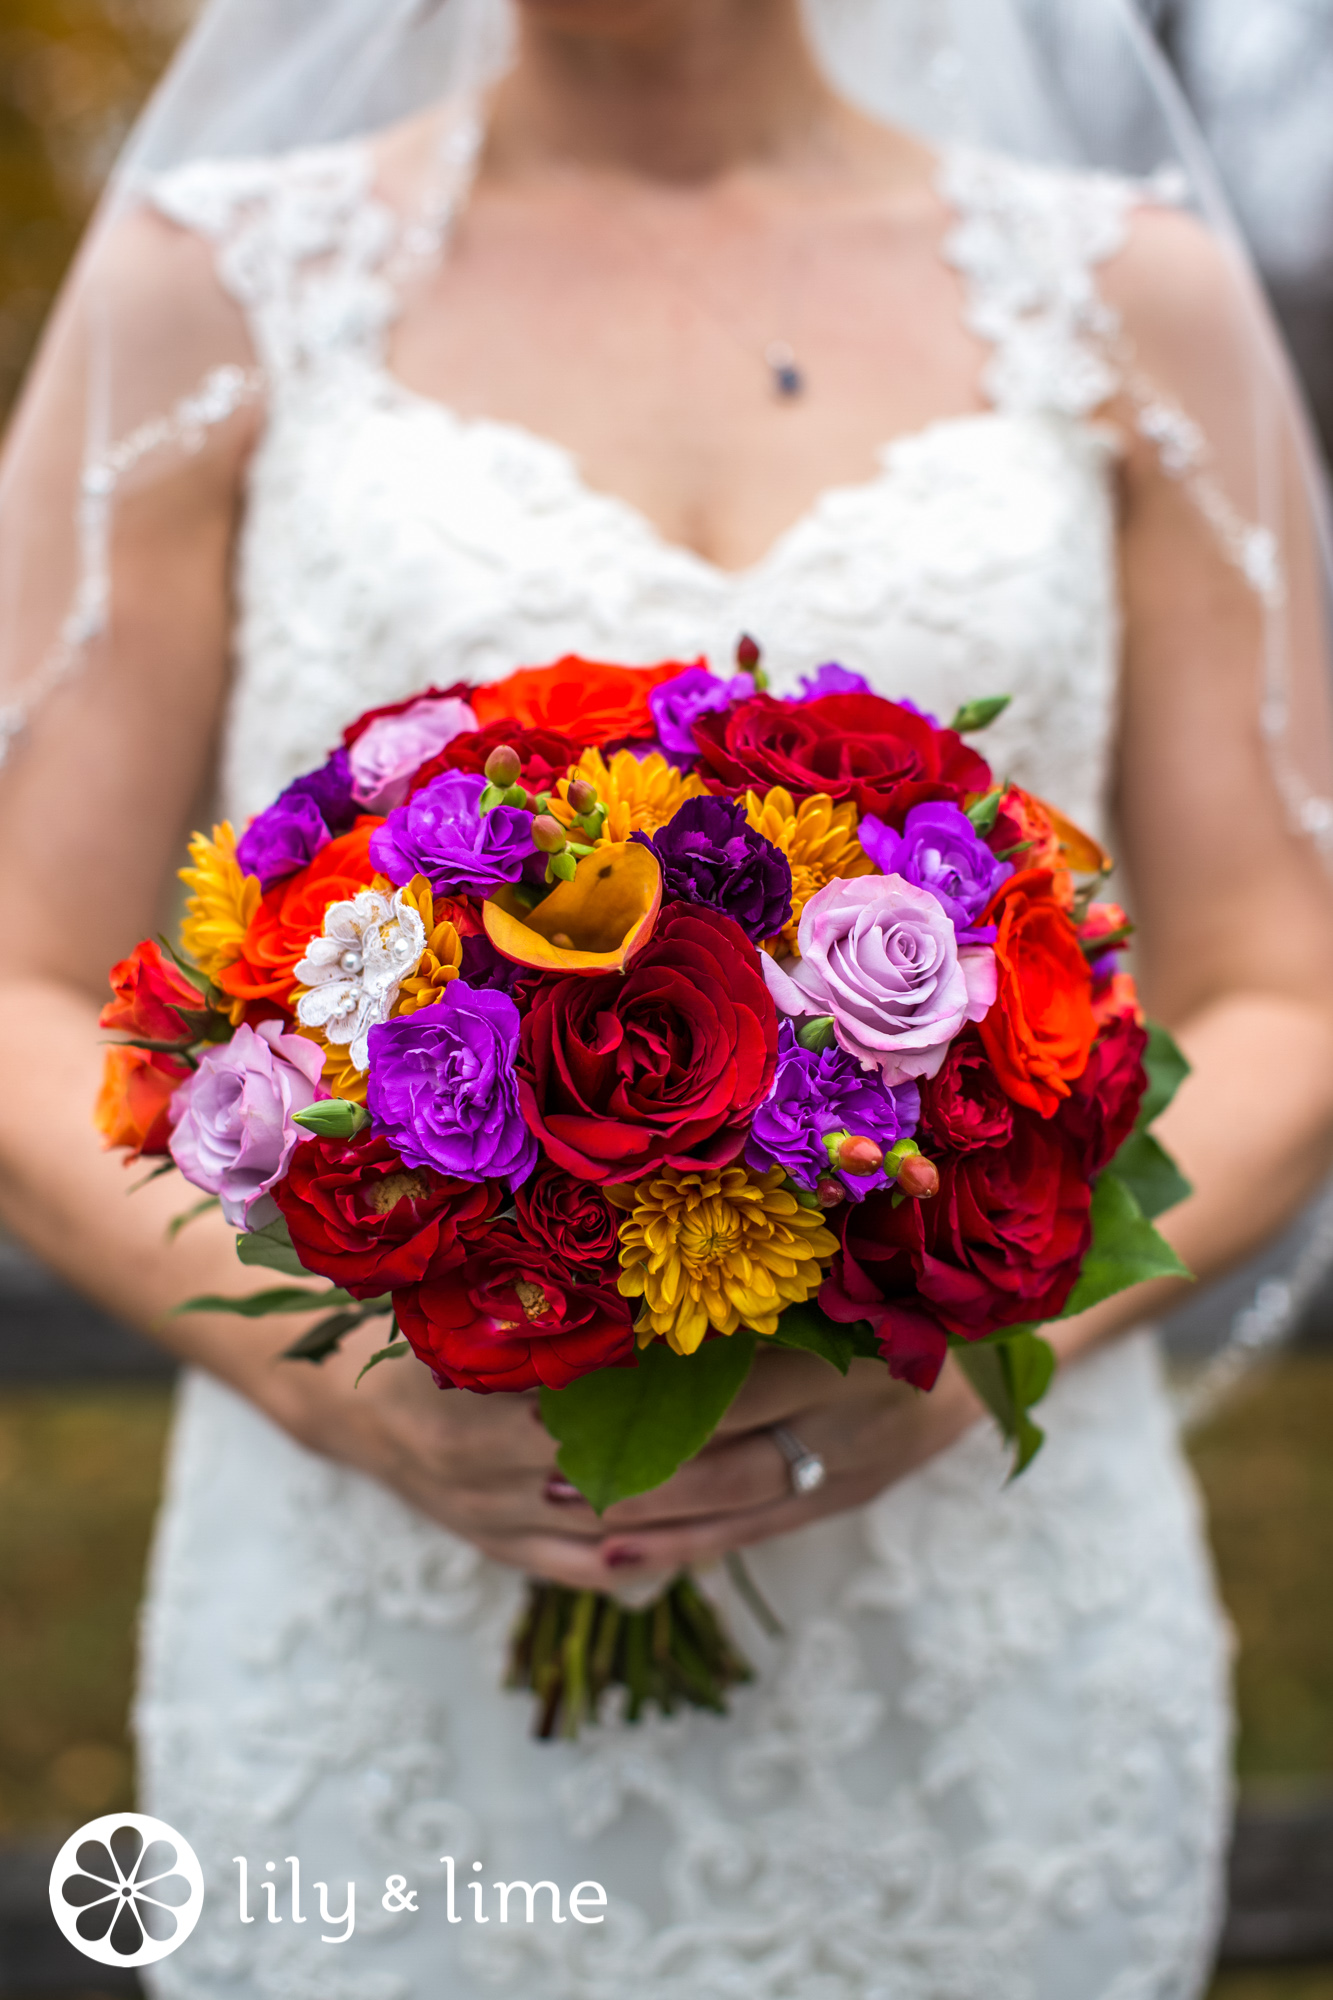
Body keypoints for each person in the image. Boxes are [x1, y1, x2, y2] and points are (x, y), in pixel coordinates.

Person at [1, 1, 1332, 1993]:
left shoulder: (1136, 298)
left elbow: (1284, 993)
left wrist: (960, 1336)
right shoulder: (213, 285)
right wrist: (337, 1388)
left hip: (973, 1622)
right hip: (389, 1631)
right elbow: (22, 984)